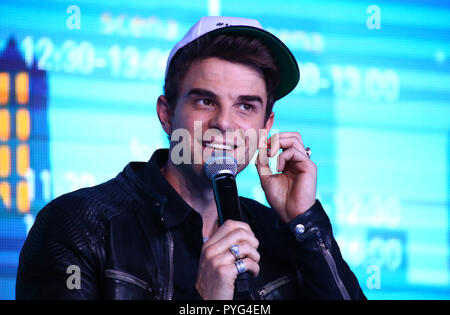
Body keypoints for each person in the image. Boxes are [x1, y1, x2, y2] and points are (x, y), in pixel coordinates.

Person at [16, 16, 366, 300]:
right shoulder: (77, 226)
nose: (225, 123)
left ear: (265, 126)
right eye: (205, 101)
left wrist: (304, 223)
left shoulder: (282, 236)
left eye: (246, 106)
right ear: (167, 115)